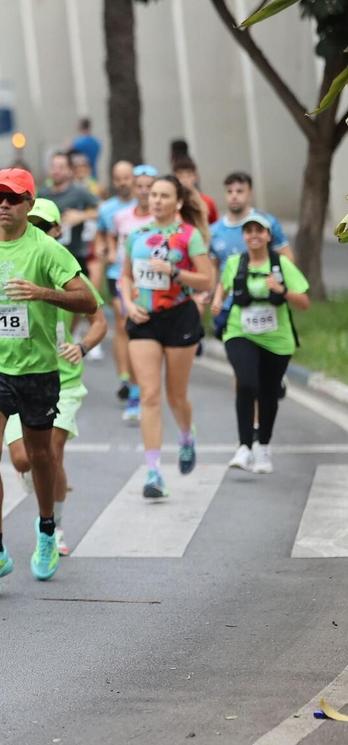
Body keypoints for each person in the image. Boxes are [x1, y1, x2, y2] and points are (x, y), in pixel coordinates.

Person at [0, 170, 97, 588]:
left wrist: (42, 293)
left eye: (13, 198)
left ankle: (47, 529)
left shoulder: (48, 250)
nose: (3, 204)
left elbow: (87, 299)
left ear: (29, 204)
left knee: (41, 457)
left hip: (38, 368)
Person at [3, 200, 107, 556]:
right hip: (16, 372)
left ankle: (54, 527)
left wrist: (82, 345)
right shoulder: (7, 267)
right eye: (30, 224)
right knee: (22, 459)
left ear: (57, 231)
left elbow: (99, 321)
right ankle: (35, 478)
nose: (36, 232)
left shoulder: (68, 272)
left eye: (44, 226)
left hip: (63, 380)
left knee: (51, 452)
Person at [120, 174, 214, 499]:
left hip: (179, 317)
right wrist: (128, 303)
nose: (156, 200)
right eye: (154, 195)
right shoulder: (137, 235)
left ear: (177, 202)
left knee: (176, 396)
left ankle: (187, 435)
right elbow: (124, 276)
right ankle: (154, 471)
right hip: (143, 320)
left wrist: (175, 271)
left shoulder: (190, 236)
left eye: (164, 195)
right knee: (149, 395)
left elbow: (206, 281)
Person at [213, 213, 309, 474]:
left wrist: (281, 291)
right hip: (239, 332)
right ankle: (244, 446)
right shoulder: (235, 262)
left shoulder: (281, 265)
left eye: (259, 230)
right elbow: (223, 285)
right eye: (248, 230)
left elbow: (304, 303)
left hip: (277, 339)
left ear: (268, 236)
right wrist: (215, 300)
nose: (253, 235)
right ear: (244, 236)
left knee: (268, 393)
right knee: (246, 382)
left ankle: (263, 447)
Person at [105, 165, 159, 423]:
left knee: (152, 338)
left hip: (155, 284)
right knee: (129, 329)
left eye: (150, 187)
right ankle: (135, 391)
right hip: (123, 279)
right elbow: (113, 241)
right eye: (141, 186)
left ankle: (149, 390)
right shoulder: (121, 216)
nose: (145, 191)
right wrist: (108, 254)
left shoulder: (163, 219)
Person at [93, 161, 137, 403]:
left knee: (136, 326)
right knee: (123, 323)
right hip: (117, 274)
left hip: (142, 275)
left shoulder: (145, 207)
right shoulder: (108, 209)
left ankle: (139, 377)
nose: (122, 182)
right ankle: (124, 378)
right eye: (118, 178)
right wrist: (103, 249)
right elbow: (102, 236)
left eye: (126, 177)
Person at [209, 172, 293, 273]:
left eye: (239, 191)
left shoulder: (268, 222)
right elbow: (212, 269)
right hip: (230, 287)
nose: (234, 196)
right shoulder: (213, 231)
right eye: (229, 191)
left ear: (250, 194)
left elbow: (287, 258)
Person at [39, 151, 99, 269]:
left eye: (61, 167)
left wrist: (81, 216)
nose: (56, 171)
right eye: (53, 167)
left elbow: (103, 210)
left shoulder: (79, 192)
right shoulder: (42, 193)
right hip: (48, 252)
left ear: (69, 171)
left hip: (75, 253)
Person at [171, 157, 220, 230]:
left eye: (189, 175)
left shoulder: (208, 202)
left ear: (196, 176)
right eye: (180, 175)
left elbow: (214, 227)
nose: (184, 180)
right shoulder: (170, 202)